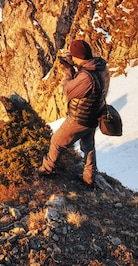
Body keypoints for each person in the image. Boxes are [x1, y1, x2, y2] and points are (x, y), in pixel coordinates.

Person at [39, 39, 110, 187]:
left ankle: (47, 170)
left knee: (57, 141)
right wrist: (77, 66)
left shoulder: (86, 77)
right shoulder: (100, 67)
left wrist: (69, 71)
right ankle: (89, 177)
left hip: (79, 118)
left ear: (77, 56)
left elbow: (68, 90)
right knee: (88, 146)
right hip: (93, 116)